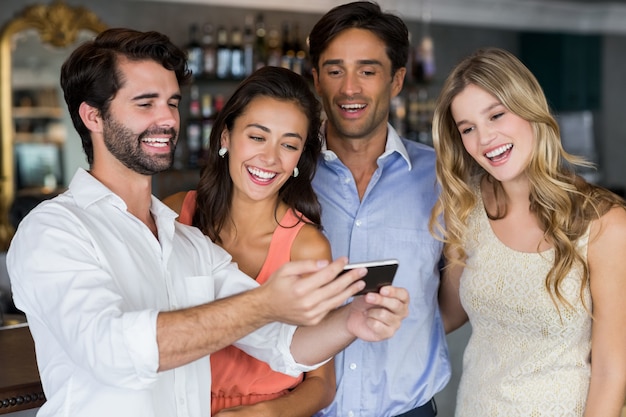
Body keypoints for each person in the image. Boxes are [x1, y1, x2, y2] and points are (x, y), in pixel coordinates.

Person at [6, 28, 410, 417]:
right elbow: (113, 352)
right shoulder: (54, 230)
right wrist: (264, 302)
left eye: (173, 103)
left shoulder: (188, 241)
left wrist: (352, 321)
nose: (167, 119)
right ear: (93, 116)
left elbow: (281, 345)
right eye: (146, 104)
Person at [429, 47, 626, 416]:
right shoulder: (468, 209)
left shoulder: (605, 224)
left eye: (496, 115)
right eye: (468, 128)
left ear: (530, 108)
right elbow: (449, 312)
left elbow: (611, 372)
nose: (485, 138)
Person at [164, 66, 336, 416]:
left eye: (288, 145)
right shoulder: (174, 215)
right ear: (226, 137)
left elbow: (321, 384)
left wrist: (264, 414)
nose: (270, 158)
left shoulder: (307, 247)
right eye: (257, 137)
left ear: (299, 158)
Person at [308, 2, 450, 416]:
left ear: (396, 80)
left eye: (368, 71)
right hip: (305, 408)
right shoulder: (286, 175)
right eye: (335, 71)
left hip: (408, 409)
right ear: (316, 79)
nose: (350, 88)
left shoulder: (442, 178)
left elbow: (450, 303)